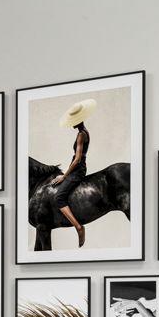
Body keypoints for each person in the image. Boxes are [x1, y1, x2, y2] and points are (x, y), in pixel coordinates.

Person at [48, 97, 95, 244]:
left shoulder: (81, 135)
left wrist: (65, 176)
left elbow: (77, 159)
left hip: (78, 169)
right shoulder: (84, 131)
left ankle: (78, 227)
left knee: (58, 198)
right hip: (78, 168)